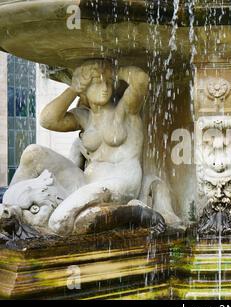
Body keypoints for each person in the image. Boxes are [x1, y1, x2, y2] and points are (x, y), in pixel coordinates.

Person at [9, 60, 150, 235]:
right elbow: (47, 119)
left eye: (108, 82)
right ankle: (8, 212)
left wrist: (113, 70)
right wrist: (73, 88)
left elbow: (141, 80)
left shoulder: (125, 109)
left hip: (120, 182)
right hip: (85, 181)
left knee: (59, 220)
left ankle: (48, 238)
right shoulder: (84, 117)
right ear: (84, 87)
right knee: (32, 153)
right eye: (97, 82)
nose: (105, 87)